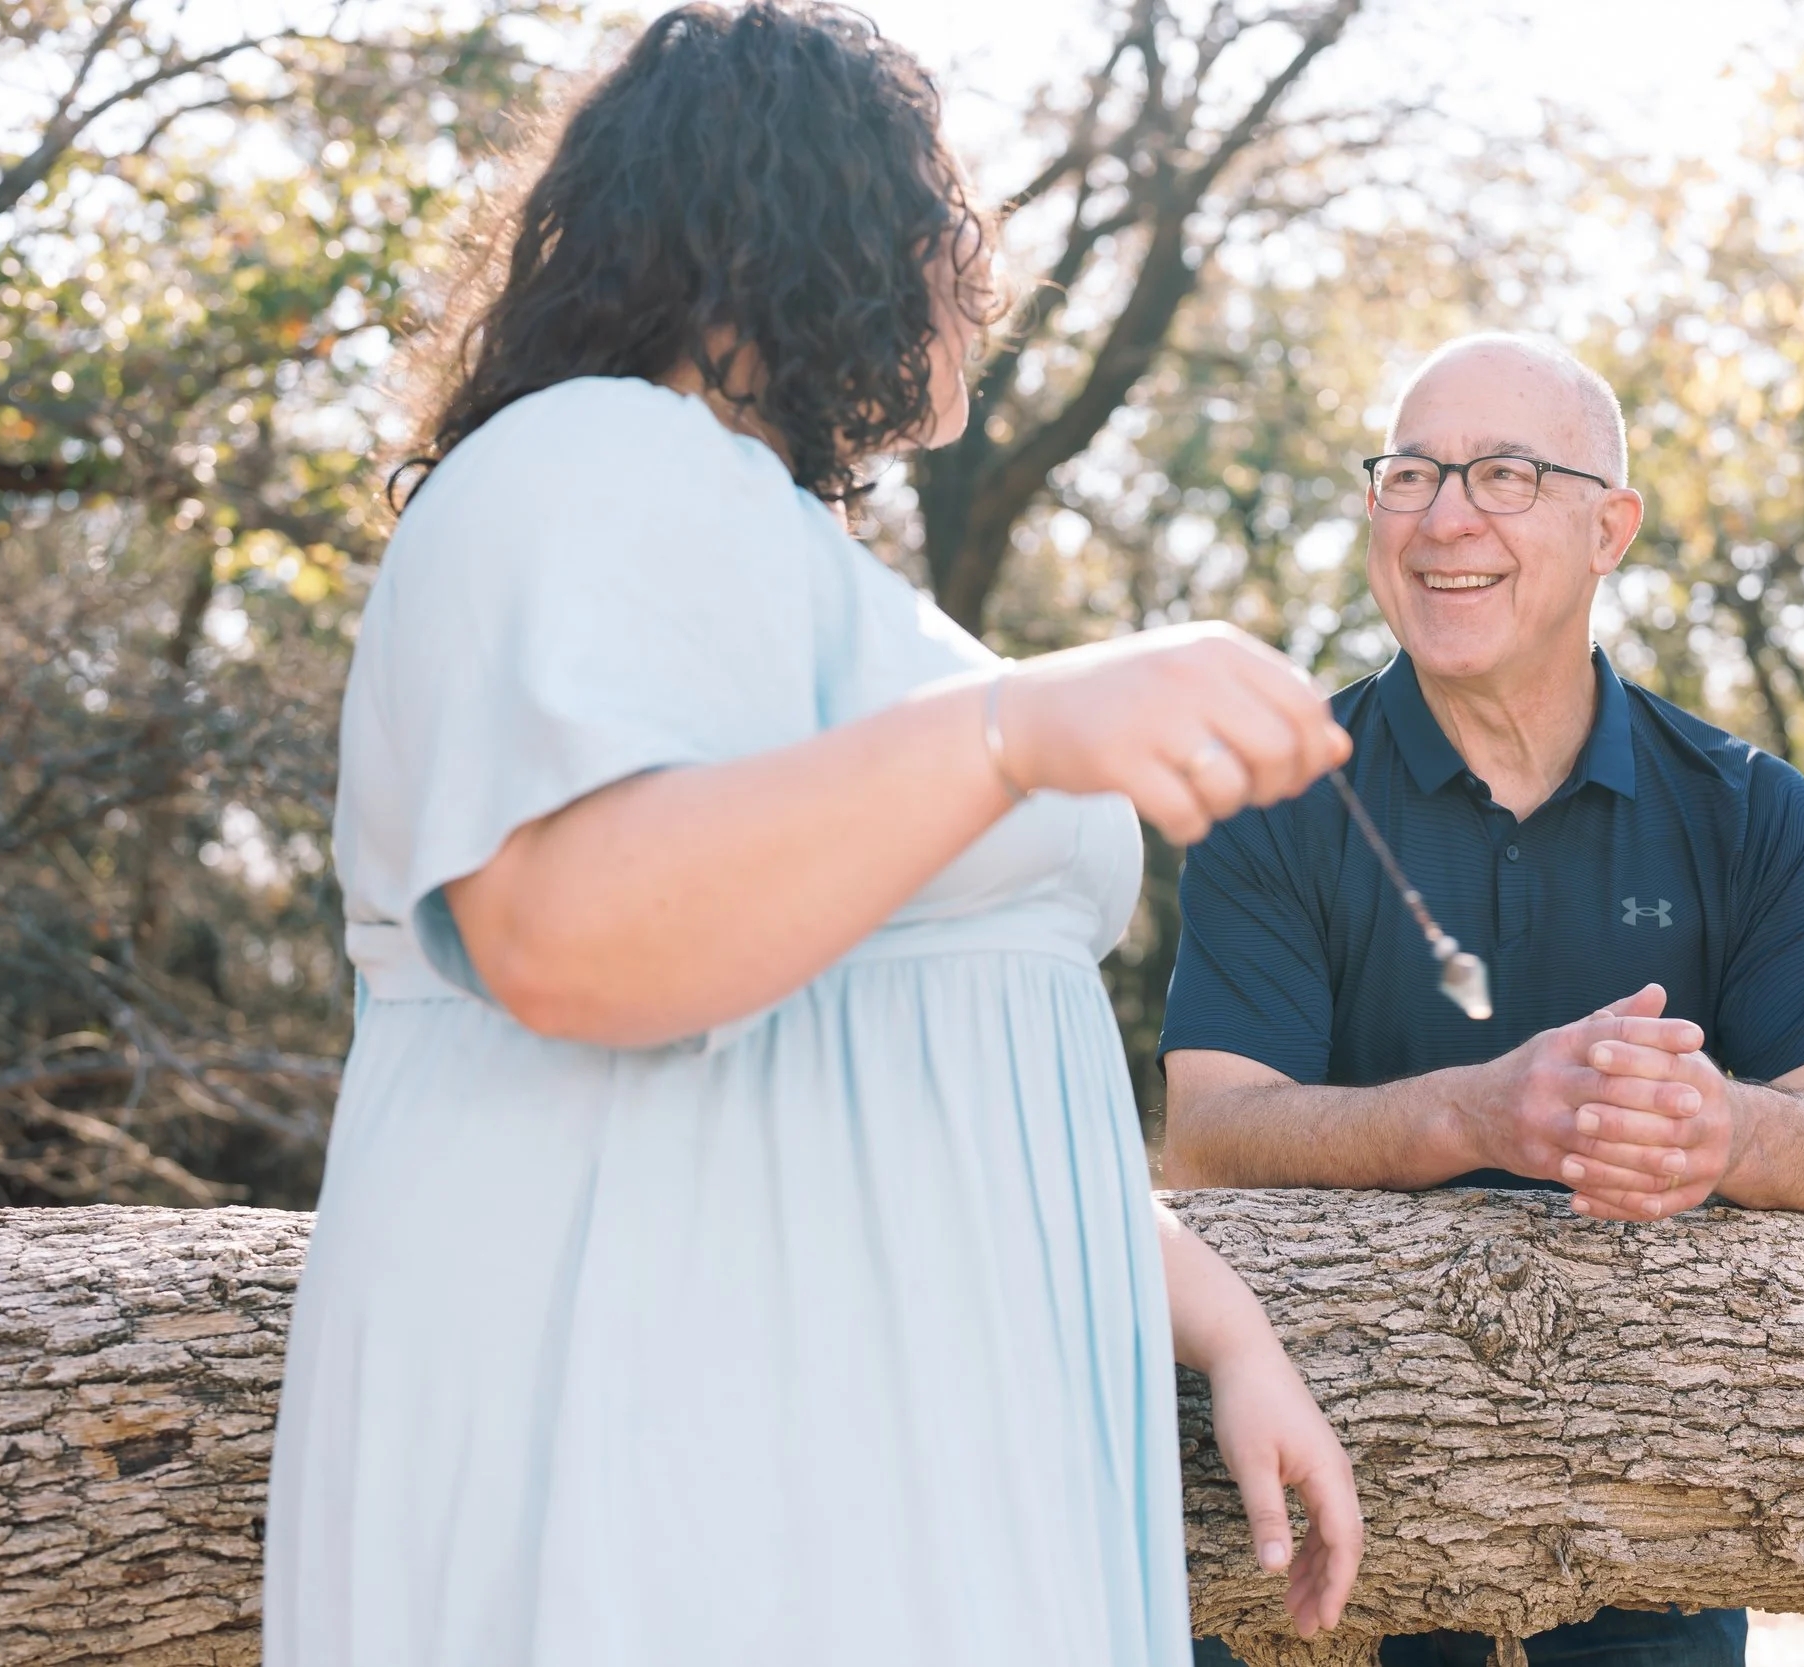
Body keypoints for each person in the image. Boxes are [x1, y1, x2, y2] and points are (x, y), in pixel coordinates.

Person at [264, 6, 1365, 1663]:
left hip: (852, 1436)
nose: (972, 273)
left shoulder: (750, 531)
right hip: (677, 1449)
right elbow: (570, 930)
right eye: (944, 217)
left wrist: (1211, 1312)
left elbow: (883, 1042)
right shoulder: (589, 457)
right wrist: (1020, 728)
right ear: (810, 217)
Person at [1161, 333, 1804, 1667]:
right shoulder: (1275, 803)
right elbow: (1212, 1137)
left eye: (1505, 475)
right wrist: (1480, 1114)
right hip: (1319, 1565)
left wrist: (1725, 1134)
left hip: (1650, 1555)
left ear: (1608, 526)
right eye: (1411, 474)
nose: (1445, 517)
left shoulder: (1748, 809)